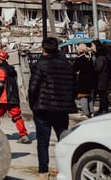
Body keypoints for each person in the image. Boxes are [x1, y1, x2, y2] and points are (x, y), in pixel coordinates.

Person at [28, 37, 76, 180]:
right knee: (63, 140)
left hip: (43, 108)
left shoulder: (40, 65)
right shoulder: (68, 65)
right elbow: (74, 87)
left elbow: (32, 88)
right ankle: (66, 168)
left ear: (43, 49)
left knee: (43, 142)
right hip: (62, 109)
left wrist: (33, 105)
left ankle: (43, 172)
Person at [0, 50, 30, 144]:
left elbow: (0, 84)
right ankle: (23, 135)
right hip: (13, 97)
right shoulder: (12, 69)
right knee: (17, 116)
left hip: (3, 98)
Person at [72, 43, 95, 118]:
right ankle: (91, 111)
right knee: (89, 97)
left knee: (83, 96)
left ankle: (85, 112)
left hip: (83, 80)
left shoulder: (79, 59)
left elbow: (74, 69)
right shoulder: (90, 59)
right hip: (91, 80)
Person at [92, 40, 111, 115]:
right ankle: (102, 108)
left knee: (102, 95)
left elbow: (98, 69)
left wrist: (93, 70)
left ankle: (104, 109)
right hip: (103, 79)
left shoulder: (100, 58)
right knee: (102, 95)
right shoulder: (105, 57)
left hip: (101, 79)